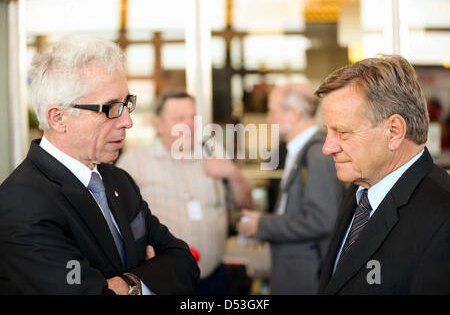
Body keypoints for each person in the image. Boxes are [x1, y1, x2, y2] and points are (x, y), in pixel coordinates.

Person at [0, 35, 199, 295]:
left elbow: (184, 262)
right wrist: (148, 276)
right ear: (58, 118)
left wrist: (128, 284)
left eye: (126, 103)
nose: (128, 121)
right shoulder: (21, 204)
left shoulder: (118, 180)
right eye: (111, 107)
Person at [316, 55, 450, 294]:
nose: (328, 147)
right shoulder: (360, 191)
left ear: (394, 131)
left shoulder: (443, 219)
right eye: (328, 131)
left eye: (343, 132)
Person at [116, 88, 254, 294]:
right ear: (159, 124)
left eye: (192, 117)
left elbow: (245, 204)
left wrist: (234, 174)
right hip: (164, 281)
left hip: (214, 277)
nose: (189, 125)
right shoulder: (134, 162)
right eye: (180, 118)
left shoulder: (213, 152)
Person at [236, 83, 345, 294]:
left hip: (306, 277)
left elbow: (321, 220)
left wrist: (263, 225)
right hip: (296, 272)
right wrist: (262, 228)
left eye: (272, 111)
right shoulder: (302, 151)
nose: (268, 119)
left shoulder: (316, 154)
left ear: (293, 113)